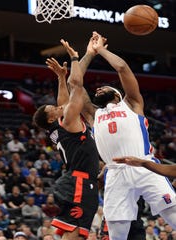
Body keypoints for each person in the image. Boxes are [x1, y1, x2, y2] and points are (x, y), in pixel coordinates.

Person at [79, 32, 176, 240]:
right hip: (115, 173)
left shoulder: (131, 103)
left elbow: (122, 68)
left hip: (144, 165)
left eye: (104, 87)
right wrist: (88, 54)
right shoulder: (93, 114)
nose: (98, 89)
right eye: (97, 90)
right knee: (117, 236)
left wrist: (101, 50)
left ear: (116, 94)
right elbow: (75, 85)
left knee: (174, 215)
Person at [33, 40, 100, 240]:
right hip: (79, 180)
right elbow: (76, 86)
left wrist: (61, 77)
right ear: (53, 118)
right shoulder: (68, 122)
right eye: (53, 109)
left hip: (78, 179)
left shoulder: (60, 127)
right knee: (75, 231)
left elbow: (63, 102)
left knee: (79, 233)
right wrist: (75, 58)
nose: (57, 105)